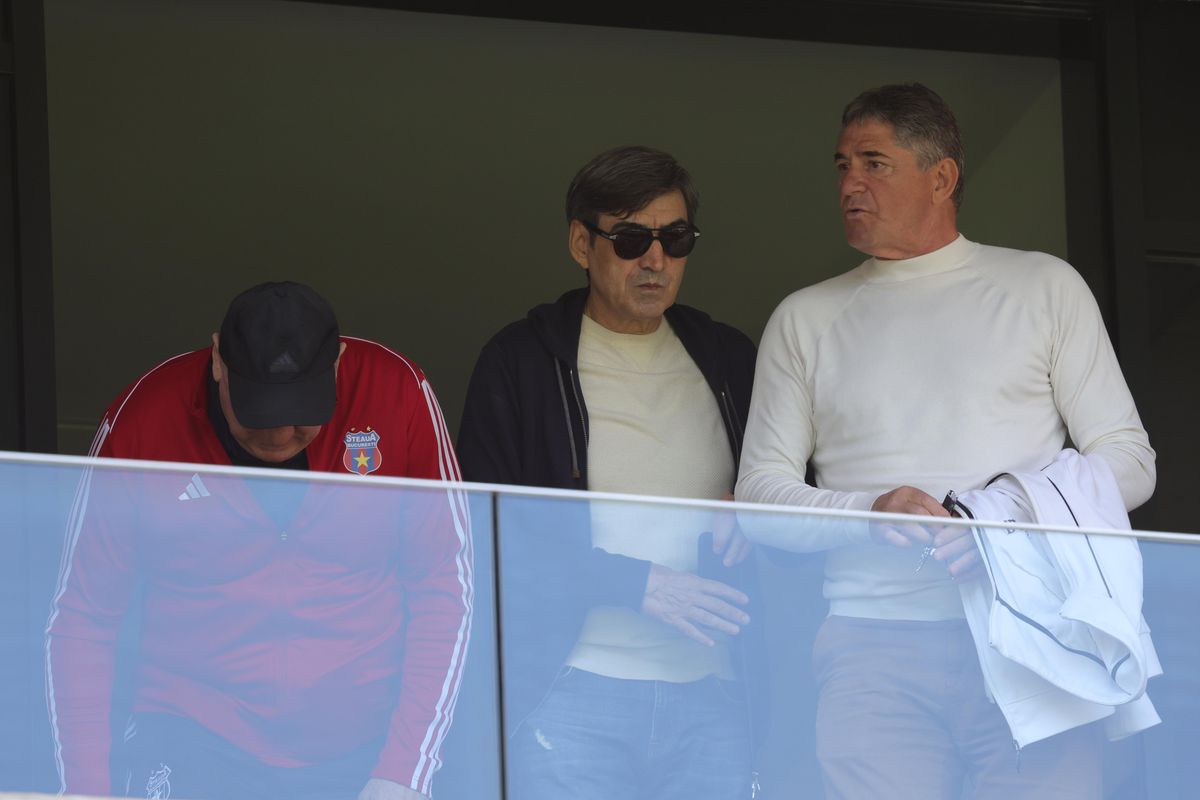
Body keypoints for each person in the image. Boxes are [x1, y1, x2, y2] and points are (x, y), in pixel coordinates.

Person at [736, 83, 1156, 799]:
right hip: (872, 642)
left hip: (1036, 630)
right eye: (842, 166)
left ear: (942, 177)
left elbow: (1131, 462)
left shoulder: (1044, 286)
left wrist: (999, 519)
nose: (850, 184)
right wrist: (870, 511)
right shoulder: (803, 317)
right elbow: (758, 499)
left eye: (874, 163)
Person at [46, 281, 472, 800]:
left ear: (337, 363)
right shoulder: (143, 419)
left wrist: (406, 770)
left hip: (365, 741)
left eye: (301, 412)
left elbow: (445, 585)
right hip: (190, 731)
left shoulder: (396, 392)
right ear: (218, 362)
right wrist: (85, 789)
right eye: (257, 411)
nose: (278, 435)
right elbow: (82, 616)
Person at [457, 145, 766, 799]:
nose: (655, 260)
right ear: (581, 243)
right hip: (571, 689)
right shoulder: (520, 362)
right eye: (630, 239)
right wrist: (631, 583)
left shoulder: (731, 359)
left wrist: (757, 504)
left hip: (715, 695)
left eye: (675, 239)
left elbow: (799, 491)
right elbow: (488, 533)